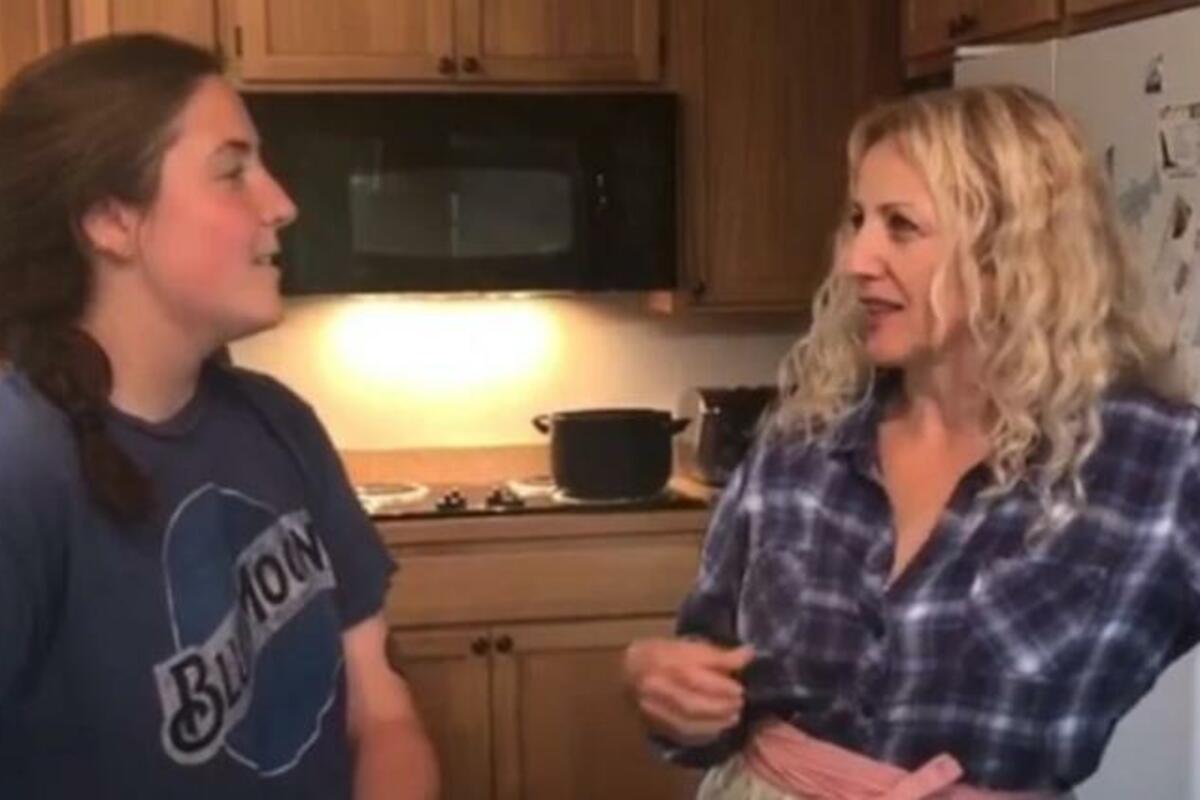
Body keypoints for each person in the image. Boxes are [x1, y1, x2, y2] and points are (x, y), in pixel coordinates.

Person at [624, 84, 1200, 798]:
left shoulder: (1162, 465)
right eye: (858, 220)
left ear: (1012, 250)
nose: (856, 259)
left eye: (900, 226)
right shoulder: (803, 443)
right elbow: (706, 671)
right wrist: (660, 684)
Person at [0, 34, 438, 798]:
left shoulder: (279, 424)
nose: (282, 204)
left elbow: (382, 713)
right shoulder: (20, 466)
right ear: (110, 218)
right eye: (233, 172)